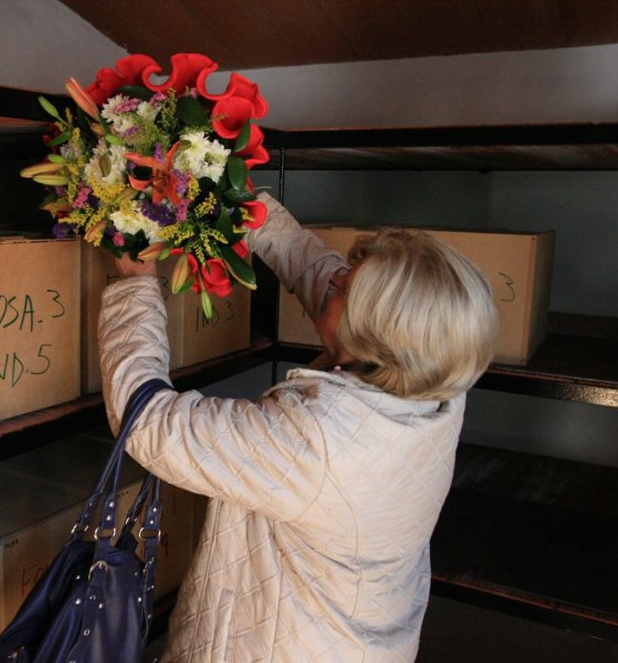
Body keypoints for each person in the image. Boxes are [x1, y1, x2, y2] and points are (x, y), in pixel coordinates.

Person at [98, 192, 499, 662]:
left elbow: (146, 420)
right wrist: (240, 202)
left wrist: (135, 281)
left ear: (369, 330)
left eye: (344, 288)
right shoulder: (436, 383)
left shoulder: (318, 440)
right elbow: (323, 282)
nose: (332, 283)